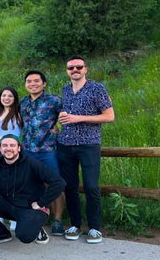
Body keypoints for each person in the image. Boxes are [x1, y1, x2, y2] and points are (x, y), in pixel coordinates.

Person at [0, 134, 66, 247]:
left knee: (25, 236)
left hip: (31, 208)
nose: (8, 148)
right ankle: (2, 233)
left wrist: (41, 203)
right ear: (0, 149)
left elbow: (59, 183)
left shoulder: (32, 163)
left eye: (12, 145)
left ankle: (37, 228)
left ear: (18, 148)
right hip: (9, 205)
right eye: (5, 145)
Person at [57, 56, 115, 244]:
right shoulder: (65, 89)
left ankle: (94, 228)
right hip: (65, 145)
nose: (75, 70)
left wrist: (78, 118)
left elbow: (109, 116)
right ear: (67, 70)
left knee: (91, 186)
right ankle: (75, 224)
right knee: (70, 187)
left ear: (85, 69)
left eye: (78, 67)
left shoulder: (97, 88)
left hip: (88, 145)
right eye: (71, 67)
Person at [20, 70, 66, 236]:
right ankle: (36, 218)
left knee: (55, 184)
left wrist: (59, 129)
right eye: (29, 81)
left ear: (44, 83)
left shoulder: (54, 100)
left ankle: (58, 220)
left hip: (48, 150)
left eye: (36, 81)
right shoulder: (23, 102)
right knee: (31, 186)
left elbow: (69, 116)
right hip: (28, 150)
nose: (33, 84)